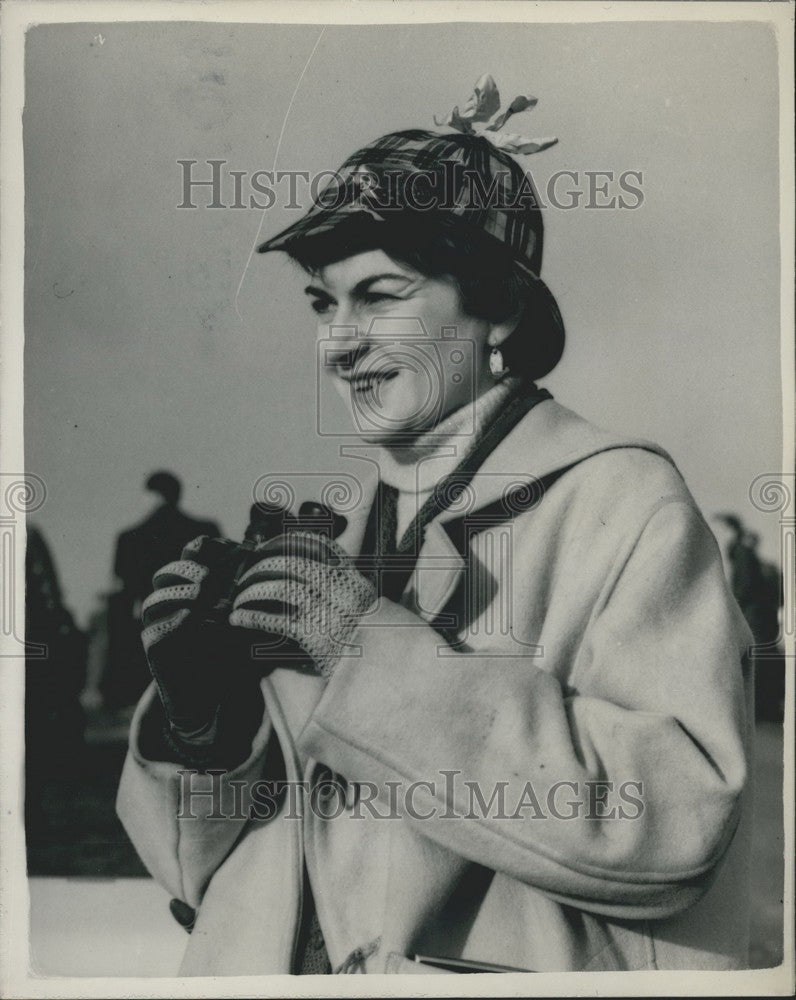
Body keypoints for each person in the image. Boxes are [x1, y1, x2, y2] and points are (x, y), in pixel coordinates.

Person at [118, 80, 753, 974]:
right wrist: (204, 727)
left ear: (500, 308)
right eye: (322, 303)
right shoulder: (336, 542)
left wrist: (369, 654)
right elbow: (202, 884)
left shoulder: (621, 503)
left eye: (380, 295)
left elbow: (680, 827)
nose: (339, 343)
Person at [103, 471, 221, 708]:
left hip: (150, 627)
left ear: (152, 495)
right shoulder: (205, 530)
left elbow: (123, 594)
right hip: (198, 626)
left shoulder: (129, 538)